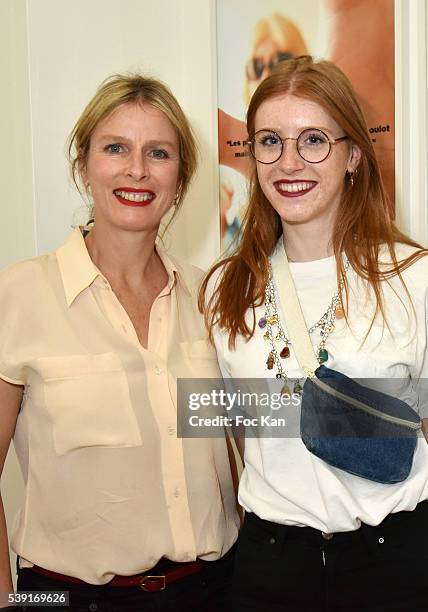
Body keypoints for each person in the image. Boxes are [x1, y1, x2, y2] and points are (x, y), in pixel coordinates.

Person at [0, 73, 239, 612]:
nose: (137, 169)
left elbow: (265, 439)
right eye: (115, 148)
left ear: (180, 179)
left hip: (213, 590)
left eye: (159, 152)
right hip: (59, 598)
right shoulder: (17, 295)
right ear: (84, 165)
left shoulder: (215, 298)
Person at [200, 56, 428, 611]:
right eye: (270, 141)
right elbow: (233, 431)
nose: (289, 161)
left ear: (352, 155)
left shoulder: (413, 276)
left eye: (314, 140)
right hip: (271, 563)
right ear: (252, 156)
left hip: (392, 560)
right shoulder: (223, 290)